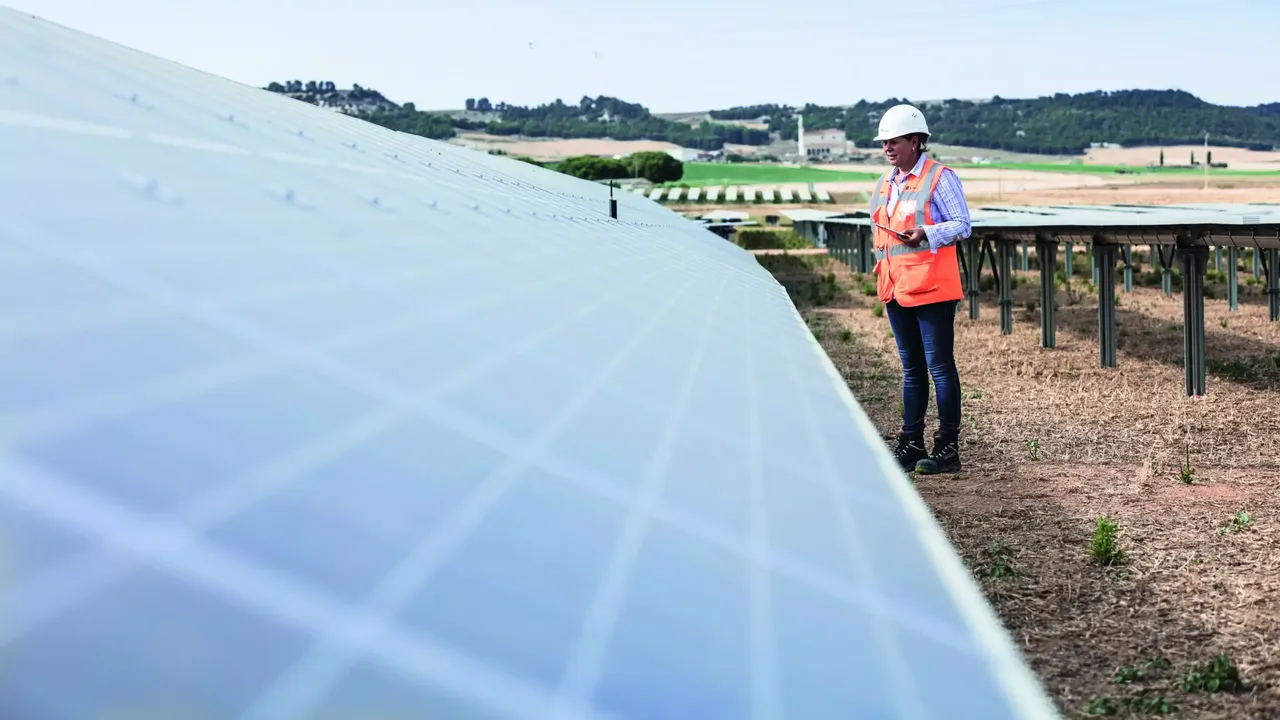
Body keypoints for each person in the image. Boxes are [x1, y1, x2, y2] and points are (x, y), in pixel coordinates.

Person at [868, 104, 971, 475]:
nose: (888, 148)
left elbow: (963, 224)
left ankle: (947, 448)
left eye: (894, 141)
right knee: (912, 370)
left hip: (933, 289)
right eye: (884, 142)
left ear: (916, 141)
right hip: (896, 289)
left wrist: (927, 233)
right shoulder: (885, 184)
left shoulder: (939, 178)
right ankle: (911, 443)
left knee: (939, 367)